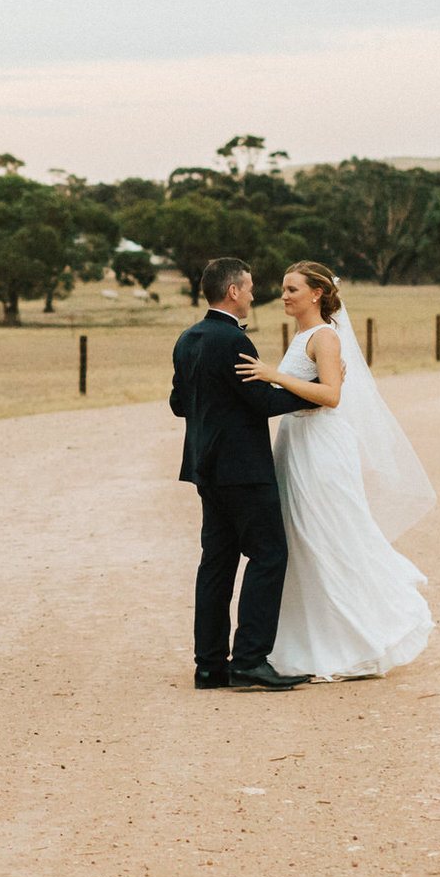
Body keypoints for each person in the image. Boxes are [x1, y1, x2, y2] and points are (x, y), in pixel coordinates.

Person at [233, 260, 436, 681]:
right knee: (300, 539)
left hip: (321, 448)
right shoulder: (303, 336)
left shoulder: (325, 336)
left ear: (317, 294)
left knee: (326, 533)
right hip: (296, 442)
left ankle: (359, 636)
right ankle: (303, 638)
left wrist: (273, 375)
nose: (284, 296)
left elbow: (331, 395)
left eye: (292, 289)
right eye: (284, 289)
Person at [169, 257, 316, 690]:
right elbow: (262, 403)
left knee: (216, 564)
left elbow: (179, 404)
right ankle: (250, 658)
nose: (253, 295)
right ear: (233, 291)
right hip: (244, 470)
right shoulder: (233, 342)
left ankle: (210, 666)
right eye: (249, 288)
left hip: (204, 469)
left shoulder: (187, 339)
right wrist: (310, 397)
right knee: (269, 555)